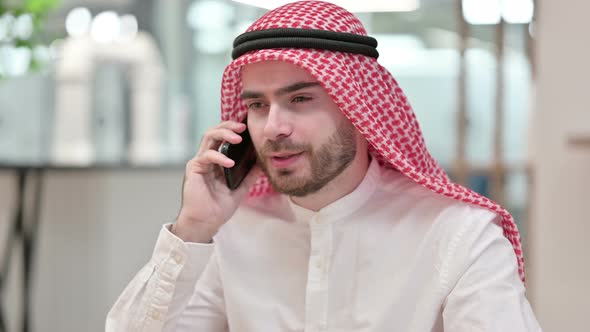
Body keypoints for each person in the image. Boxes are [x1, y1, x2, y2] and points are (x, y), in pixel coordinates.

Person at [106, 1, 541, 331]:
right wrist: (193, 228)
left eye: (300, 99)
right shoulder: (233, 231)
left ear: (359, 107)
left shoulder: (458, 233)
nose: (273, 127)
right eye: (257, 105)